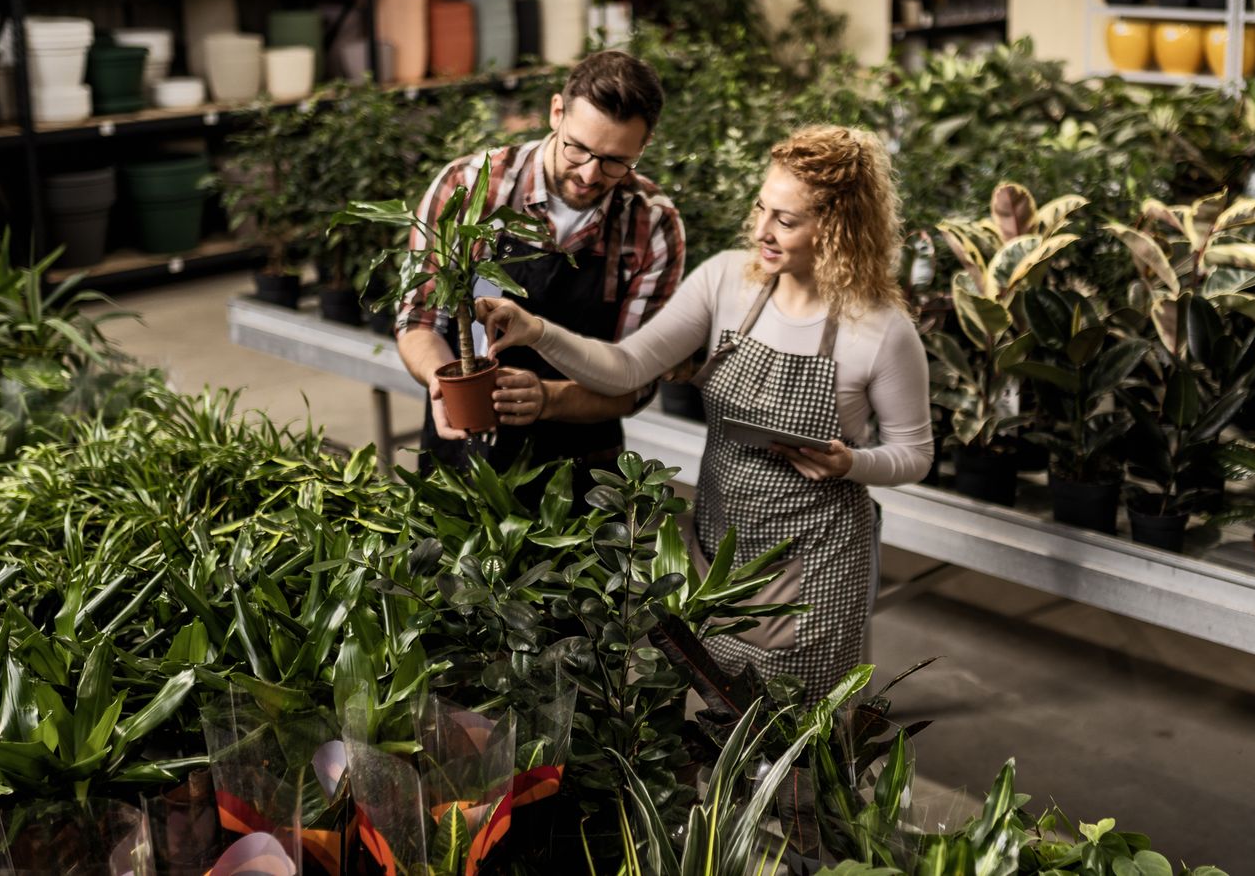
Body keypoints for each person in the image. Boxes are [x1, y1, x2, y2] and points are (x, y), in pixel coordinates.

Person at [476, 125, 933, 699]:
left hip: (816, 567)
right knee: (717, 725)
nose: (762, 230)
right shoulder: (727, 282)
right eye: (761, 208)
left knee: (797, 747)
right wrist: (537, 332)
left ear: (838, 229)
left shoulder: (882, 331)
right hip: (717, 553)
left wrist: (851, 463)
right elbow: (624, 367)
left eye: (786, 220)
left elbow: (915, 455)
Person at [395, 50, 685, 494]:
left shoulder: (651, 224)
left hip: (582, 470)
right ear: (556, 112)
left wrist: (548, 398)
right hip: (464, 451)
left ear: (642, 148)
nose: (589, 174)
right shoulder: (471, 188)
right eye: (578, 148)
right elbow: (418, 321)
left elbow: (637, 379)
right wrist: (441, 383)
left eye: (614, 161)